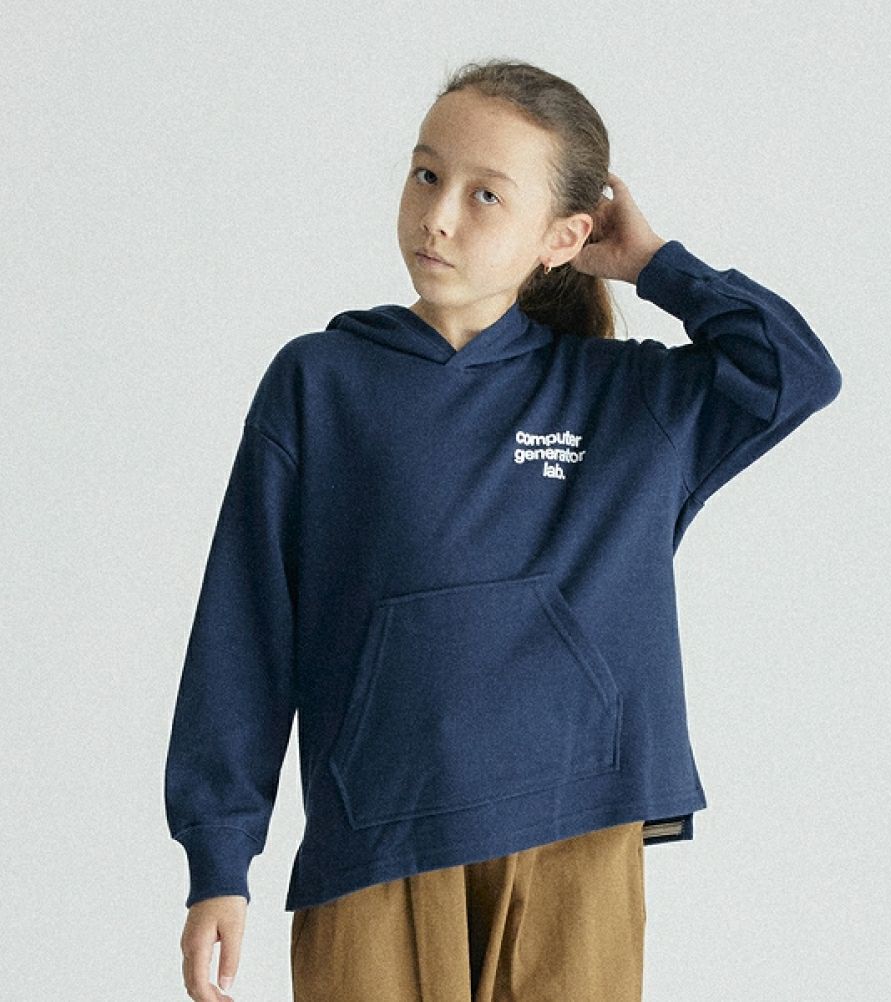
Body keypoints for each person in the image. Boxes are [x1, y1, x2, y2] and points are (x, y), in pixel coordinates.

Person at [164, 58, 842, 1001]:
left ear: (564, 236)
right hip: (379, 839)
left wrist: (656, 265)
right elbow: (243, 632)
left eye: (486, 195)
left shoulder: (626, 400)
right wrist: (219, 860)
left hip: (576, 834)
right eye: (426, 175)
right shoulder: (320, 383)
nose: (438, 216)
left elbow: (794, 373)